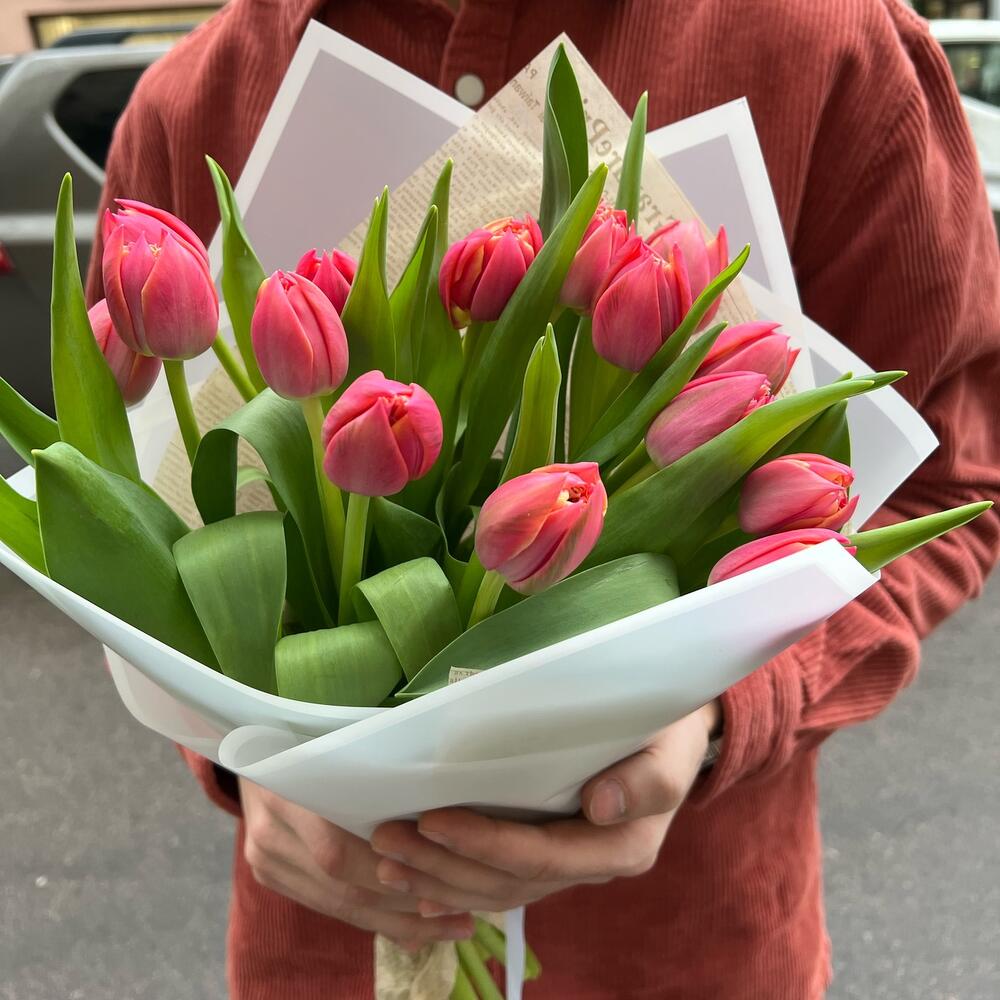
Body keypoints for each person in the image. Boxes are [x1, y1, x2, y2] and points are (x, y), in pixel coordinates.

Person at [86, 1, 1000, 997]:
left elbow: (948, 482)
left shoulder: (831, 48)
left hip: (677, 949)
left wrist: (724, 709)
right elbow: (137, 528)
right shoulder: (197, 95)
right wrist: (245, 764)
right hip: (325, 946)